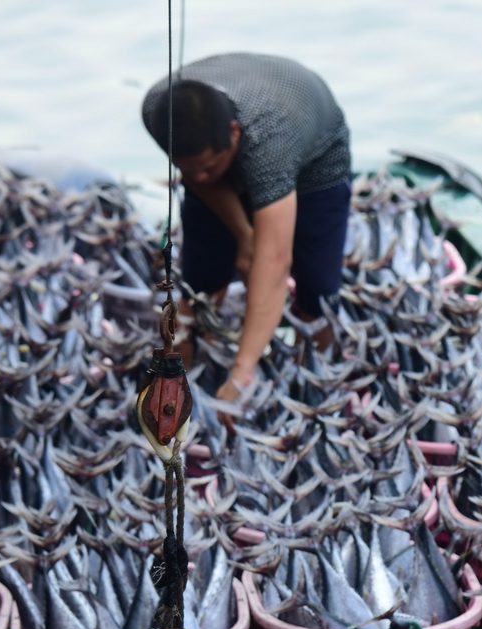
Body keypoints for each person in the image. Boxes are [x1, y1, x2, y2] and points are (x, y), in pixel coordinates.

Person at [142, 53, 352, 414]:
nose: (200, 177)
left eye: (209, 166)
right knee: (202, 279)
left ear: (234, 134)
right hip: (253, 126)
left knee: (317, 290)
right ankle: (192, 363)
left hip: (314, 161)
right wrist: (243, 233)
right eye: (185, 167)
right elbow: (198, 177)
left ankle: (317, 375)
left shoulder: (271, 144)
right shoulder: (158, 111)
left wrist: (243, 373)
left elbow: (273, 263)